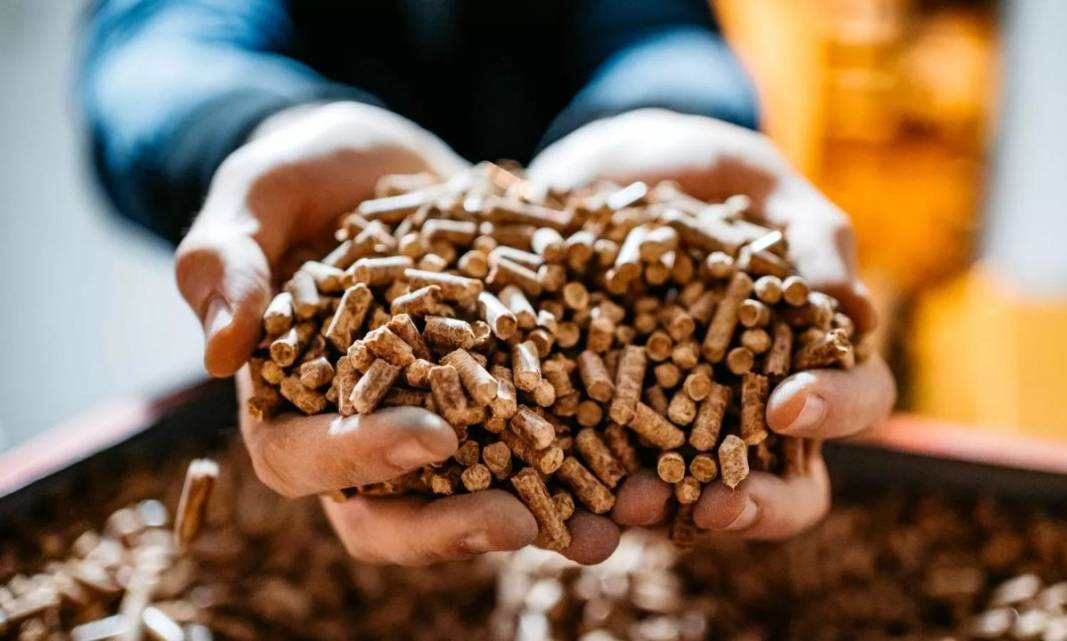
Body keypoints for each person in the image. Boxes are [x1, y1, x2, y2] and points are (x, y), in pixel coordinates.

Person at [81, 1, 895, 565]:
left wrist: (671, 109)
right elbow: (160, 43)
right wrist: (255, 128)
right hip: (324, 249)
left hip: (568, 222)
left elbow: (654, 22)